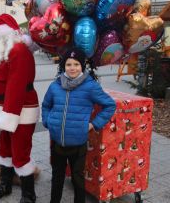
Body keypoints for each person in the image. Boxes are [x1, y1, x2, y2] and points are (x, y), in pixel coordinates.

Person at [0, 14, 39, 203]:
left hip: (19, 111)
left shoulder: (18, 50)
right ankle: (5, 184)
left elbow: (17, 86)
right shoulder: (1, 51)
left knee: (20, 151)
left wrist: (8, 115)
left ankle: (29, 194)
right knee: (5, 148)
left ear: (4, 35)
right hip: (5, 112)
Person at [42, 48, 116, 203]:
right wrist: (48, 121)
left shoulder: (90, 86)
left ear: (82, 66)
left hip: (78, 142)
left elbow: (109, 105)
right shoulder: (55, 85)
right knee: (57, 176)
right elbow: (46, 104)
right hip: (57, 141)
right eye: (68, 64)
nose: (72, 68)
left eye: (76, 64)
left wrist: (93, 124)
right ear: (64, 66)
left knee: (77, 178)